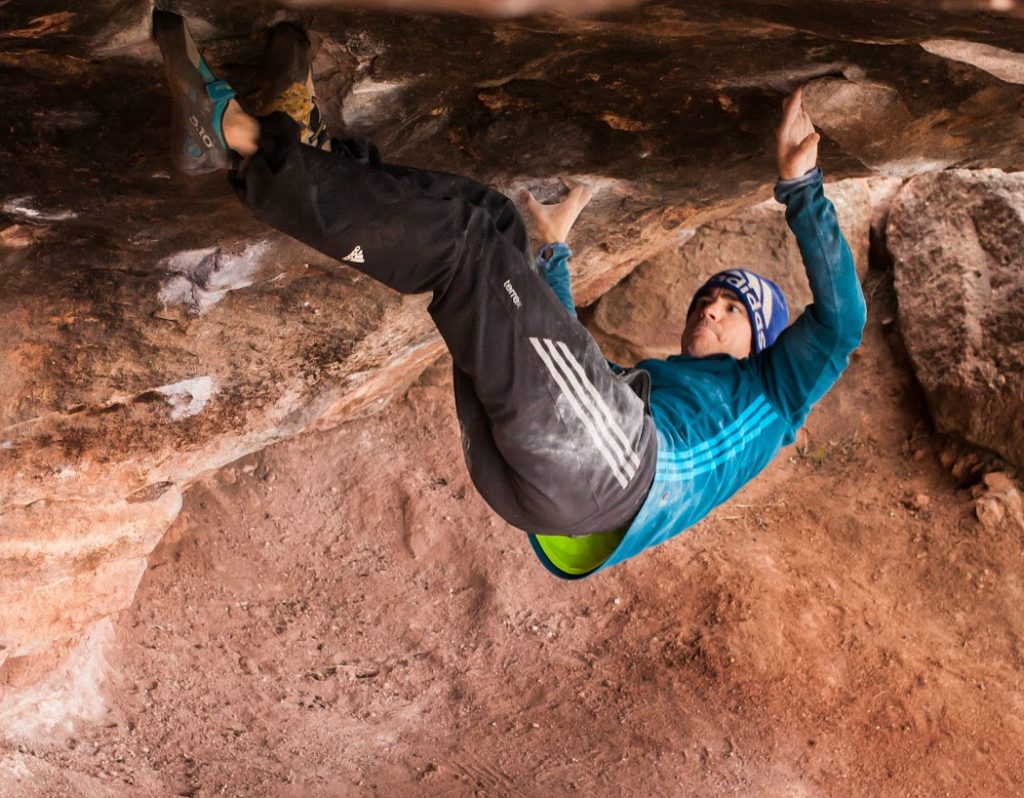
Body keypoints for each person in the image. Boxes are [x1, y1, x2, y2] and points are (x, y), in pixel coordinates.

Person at [154, 11, 866, 579]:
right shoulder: (653, 393)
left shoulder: (777, 396)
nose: (710, 308)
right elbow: (558, 356)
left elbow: (841, 325)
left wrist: (802, 190)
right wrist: (553, 251)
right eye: (710, 298)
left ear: (765, 346)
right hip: (565, 479)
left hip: (607, 476)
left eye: (735, 310)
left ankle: (237, 134)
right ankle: (301, 147)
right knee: (487, 223)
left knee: (465, 245)